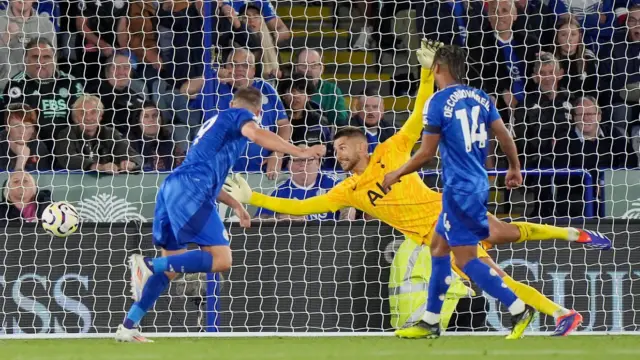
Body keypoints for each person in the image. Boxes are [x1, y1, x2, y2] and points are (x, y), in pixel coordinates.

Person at [223, 41, 610, 339]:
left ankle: (573, 240)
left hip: (449, 210)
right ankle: (560, 310)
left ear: (361, 145)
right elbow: (304, 207)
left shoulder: (390, 149)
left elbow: (417, 114)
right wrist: (253, 198)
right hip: (436, 233)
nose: (336, 154)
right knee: (500, 264)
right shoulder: (350, 190)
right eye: (334, 149)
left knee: (510, 236)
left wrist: (427, 75)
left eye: (342, 147)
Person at [115, 87, 325, 342]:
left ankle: (128, 325)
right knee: (221, 260)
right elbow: (256, 134)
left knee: (172, 266)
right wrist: (300, 151)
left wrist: (236, 205)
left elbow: (212, 177)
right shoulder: (238, 117)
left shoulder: (215, 128)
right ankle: (147, 264)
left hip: (173, 187)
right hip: (193, 189)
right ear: (257, 112)